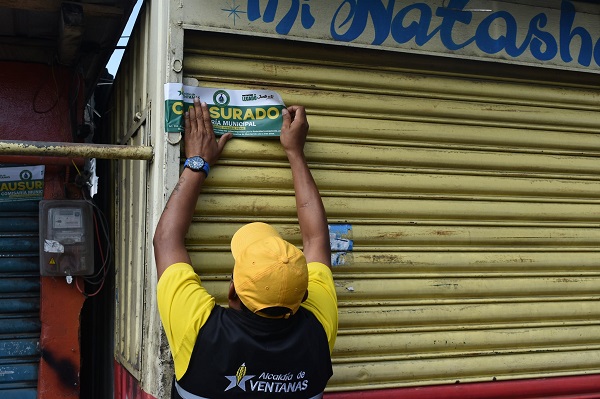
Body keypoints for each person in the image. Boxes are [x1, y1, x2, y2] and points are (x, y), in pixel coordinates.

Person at [153, 97, 338, 399]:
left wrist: (197, 161)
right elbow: (317, 240)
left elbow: (165, 238)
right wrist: (295, 152)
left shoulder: (201, 331)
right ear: (304, 295)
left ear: (231, 292)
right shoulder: (317, 331)